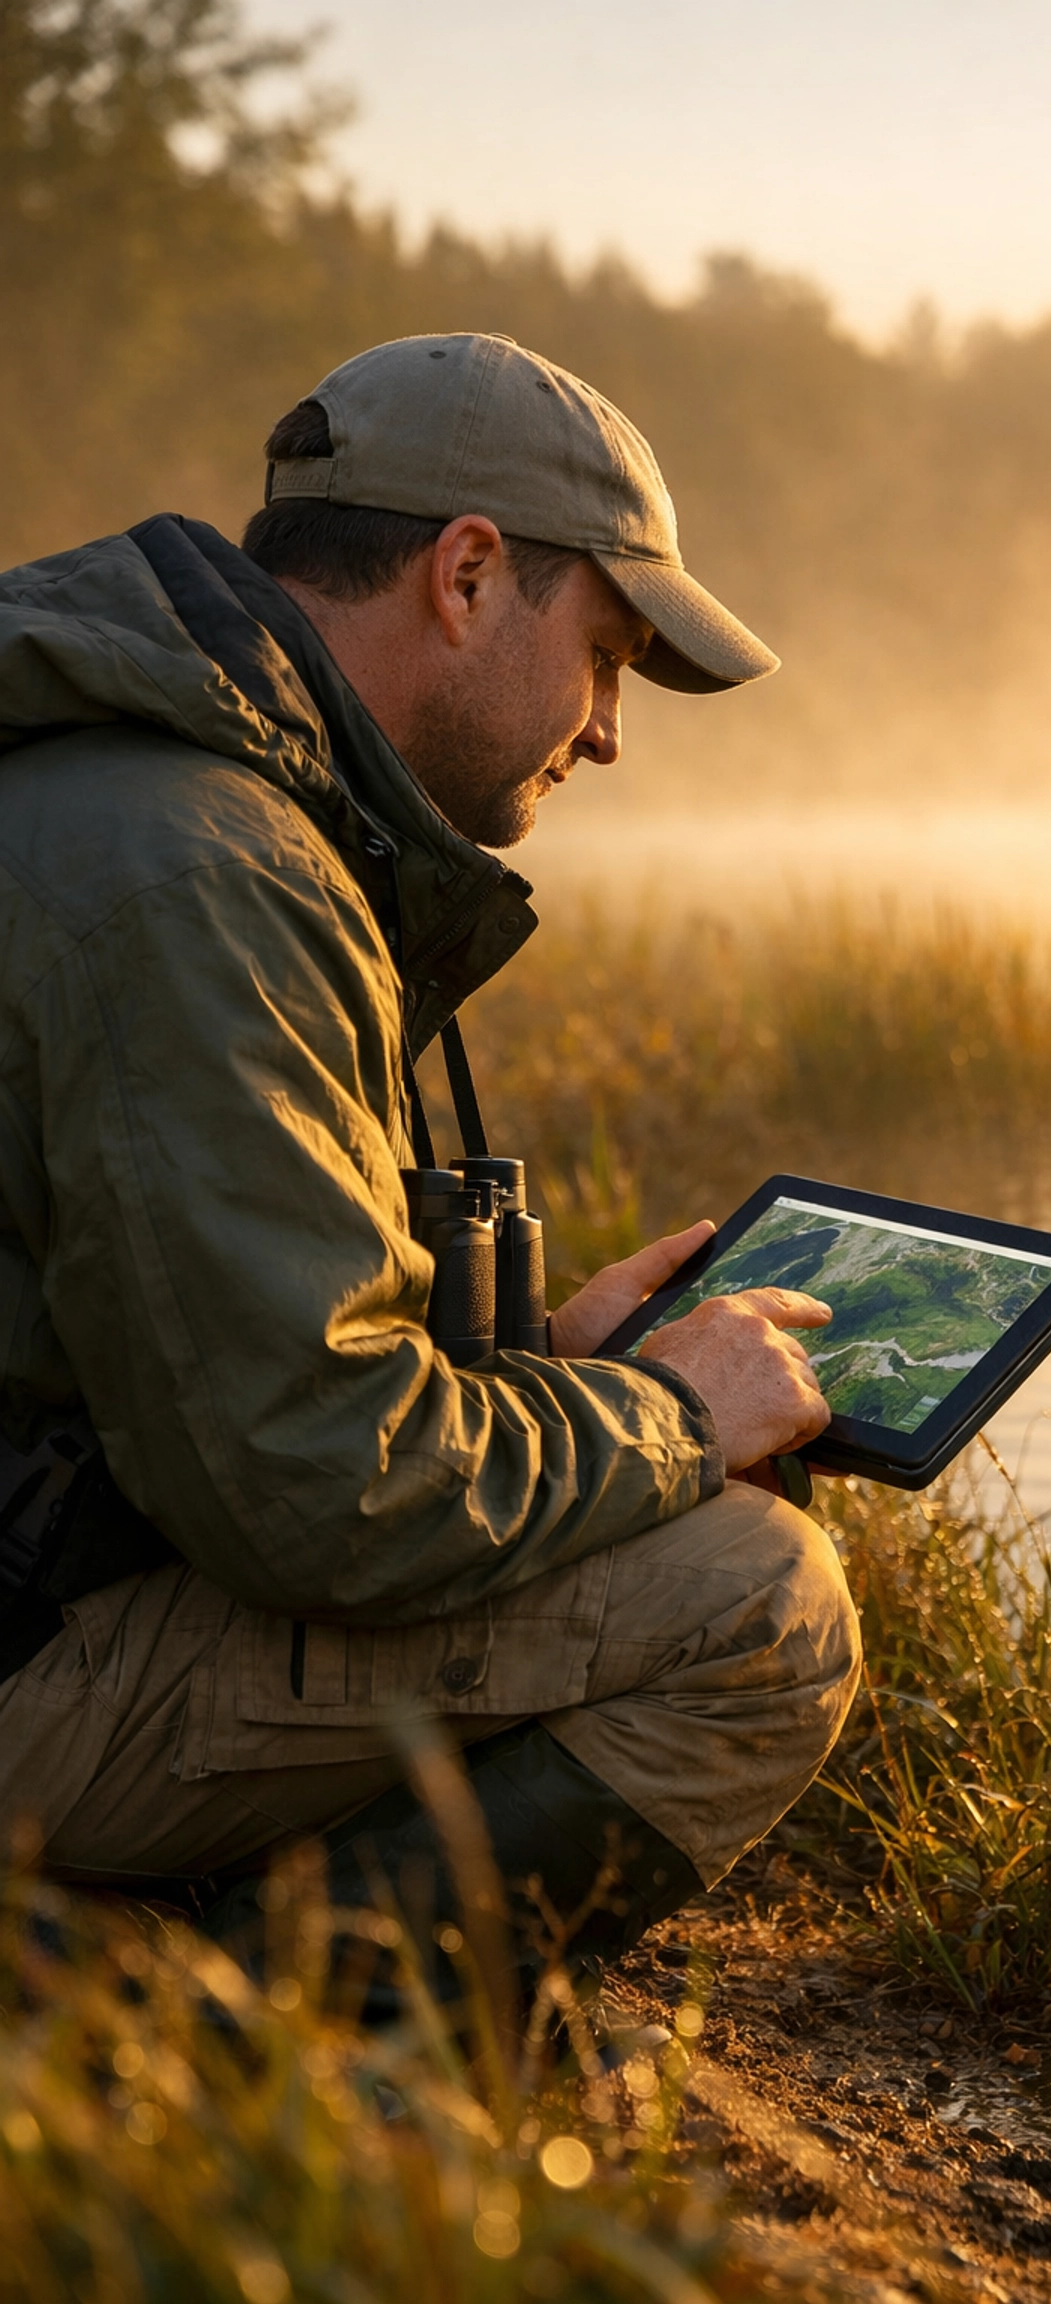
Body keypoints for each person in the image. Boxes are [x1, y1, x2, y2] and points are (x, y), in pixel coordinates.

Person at [0, 331, 860, 1982]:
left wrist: (542, 1366)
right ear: (467, 575)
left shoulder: (135, 778)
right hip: (22, 1664)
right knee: (760, 1600)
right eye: (605, 654)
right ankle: (233, 2045)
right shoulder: (205, 871)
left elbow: (164, 1347)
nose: (606, 731)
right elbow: (311, 1489)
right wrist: (672, 1414)